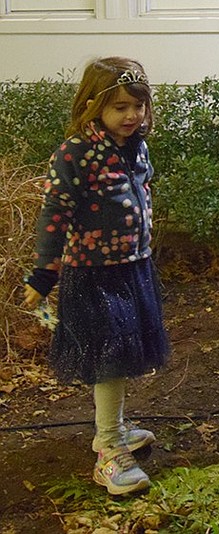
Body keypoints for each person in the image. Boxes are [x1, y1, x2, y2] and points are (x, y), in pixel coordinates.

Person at [22, 57, 170, 496]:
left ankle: (116, 428)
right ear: (93, 106)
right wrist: (43, 275)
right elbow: (54, 215)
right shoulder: (75, 153)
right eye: (120, 107)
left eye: (138, 106)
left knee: (124, 356)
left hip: (132, 267)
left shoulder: (135, 146)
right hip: (94, 275)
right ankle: (108, 450)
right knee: (109, 360)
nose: (132, 116)